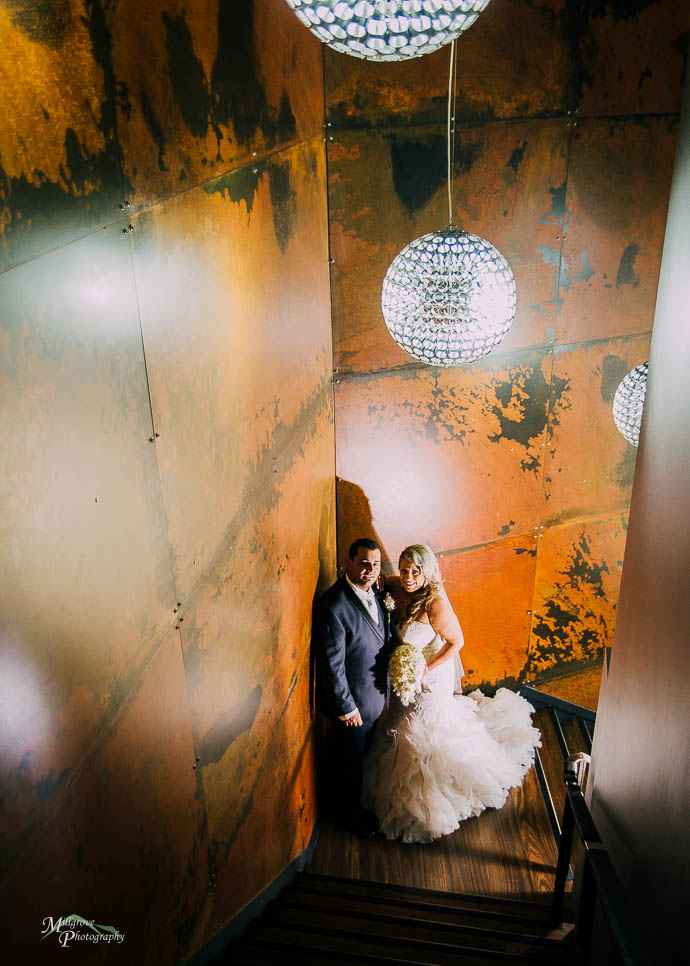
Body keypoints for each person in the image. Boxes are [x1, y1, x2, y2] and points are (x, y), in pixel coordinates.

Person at [362, 543, 541, 844]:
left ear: (426, 571)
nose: (408, 577)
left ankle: (432, 795)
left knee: (425, 730)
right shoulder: (396, 586)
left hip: (431, 676)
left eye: (415, 572)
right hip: (406, 675)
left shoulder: (435, 604)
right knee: (399, 722)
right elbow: (384, 584)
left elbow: (456, 642)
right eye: (404, 570)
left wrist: (425, 670)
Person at [313, 537, 392, 837]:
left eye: (375, 564)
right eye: (364, 564)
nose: (370, 570)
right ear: (349, 562)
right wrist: (345, 707)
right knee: (351, 764)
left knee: (365, 758)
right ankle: (351, 819)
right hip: (354, 705)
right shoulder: (334, 605)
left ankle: (361, 805)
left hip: (376, 696)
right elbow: (332, 664)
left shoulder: (378, 592)